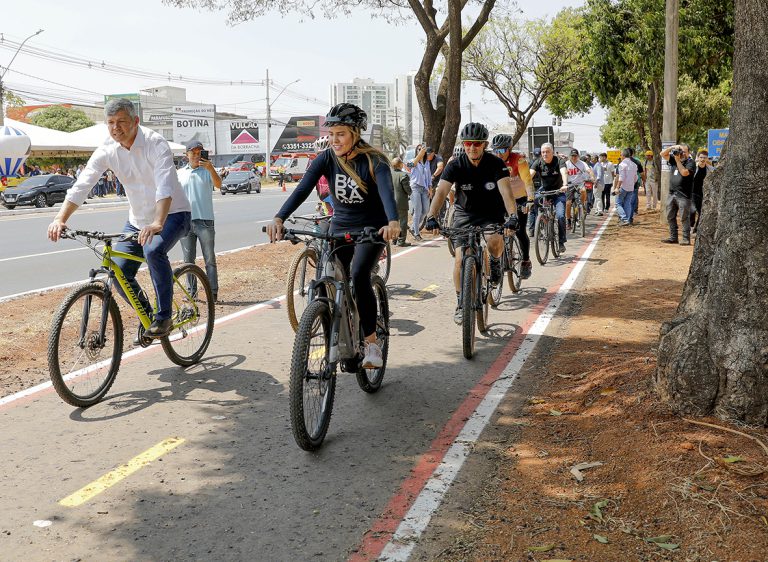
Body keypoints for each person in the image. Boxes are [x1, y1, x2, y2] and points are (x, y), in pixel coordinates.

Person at [266, 103, 399, 369]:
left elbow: (387, 193)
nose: (334, 139)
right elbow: (303, 189)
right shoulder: (325, 158)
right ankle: (336, 333)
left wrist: (393, 222)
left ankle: (371, 343)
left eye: (341, 133)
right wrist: (279, 217)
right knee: (327, 276)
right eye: (332, 133)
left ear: (355, 133)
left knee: (359, 275)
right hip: (338, 229)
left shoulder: (375, 160)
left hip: (371, 230)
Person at [47, 98, 191, 338]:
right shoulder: (107, 149)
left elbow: (164, 186)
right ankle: (148, 316)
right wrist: (60, 218)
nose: (116, 128)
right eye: (111, 123)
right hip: (136, 221)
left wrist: (157, 223)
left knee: (153, 250)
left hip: (172, 214)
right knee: (118, 270)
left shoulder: (155, 143)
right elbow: (84, 184)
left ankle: (164, 317)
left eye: (122, 121)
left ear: (135, 121)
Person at [424, 122, 518, 324]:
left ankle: (494, 262)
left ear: (484, 145)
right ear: (464, 144)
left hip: (491, 212)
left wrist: (512, 215)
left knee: (494, 241)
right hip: (464, 213)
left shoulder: (495, 163)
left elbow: (506, 192)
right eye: (468, 143)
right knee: (459, 259)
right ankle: (460, 303)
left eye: (476, 144)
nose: (472, 148)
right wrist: (431, 215)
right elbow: (441, 192)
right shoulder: (455, 165)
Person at [178, 140, 222, 303]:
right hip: (185, 222)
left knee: (209, 259)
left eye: (199, 152)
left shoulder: (207, 171)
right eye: (193, 153)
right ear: (186, 155)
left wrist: (210, 168)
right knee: (188, 261)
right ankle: (191, 292)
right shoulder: (180, 173)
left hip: (205, 221)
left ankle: (212, 292)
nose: (197, 155)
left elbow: (219, 185)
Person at [489, 134, 534, 279]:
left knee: (520, 232)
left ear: (509, 149)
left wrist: (530, 199)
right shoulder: (492, 161)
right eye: (496, 151)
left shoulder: (518, 160)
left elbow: (527, 181)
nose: (498, 154)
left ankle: (526, 261)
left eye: (502, 150)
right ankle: (496, 261)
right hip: (501, 200)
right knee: (494, 230)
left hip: (520, 200)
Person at [530, 143, 569, 253]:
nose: (545, 154)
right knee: (534, 200)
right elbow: (529, 175)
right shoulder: (538, 162)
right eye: (543, 152)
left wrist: (565, 184)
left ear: (552, 152)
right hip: (545, 191)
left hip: (558, 192)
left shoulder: (559, 161)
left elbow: (564, 172)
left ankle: (561, 241)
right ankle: (540, 222)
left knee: (561, 215)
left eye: (547, 152)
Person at [660, 143, 696, 245]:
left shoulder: (690, 162)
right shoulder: (675, 159)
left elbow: (684, 173)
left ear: (688, 153)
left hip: (683, 195)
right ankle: (673, 237)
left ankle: (685, 239)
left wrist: (677, 160)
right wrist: (673, 148)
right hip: (672, 194)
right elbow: (662, 154)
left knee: (684, 217)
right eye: (681, 151)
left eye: (684, 151)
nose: (682, 153)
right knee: (670, 216)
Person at [564, 148, 595, 228]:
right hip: (570, 185)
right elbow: (562, 173)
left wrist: (592, 177)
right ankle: (568, 220)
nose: (574, 157)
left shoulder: (582, 163)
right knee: (568, 204)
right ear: (570, 156)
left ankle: (582, 203)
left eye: (575, 156)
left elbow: (589, 170)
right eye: (572, 156)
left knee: (584, 190)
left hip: (579, 184)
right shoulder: (566, 164)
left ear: (578, 156)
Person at [410, 145, 432, 241]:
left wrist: (430, 189)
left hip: (425, 189)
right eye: (419, 149)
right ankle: (416, 233)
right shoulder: (413, 161)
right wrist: (419, 155)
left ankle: (412, 227)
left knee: (426, 210)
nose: (422, 150)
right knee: (418, 211)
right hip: (415, 188)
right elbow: (412, 164)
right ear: (417, 151)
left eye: (423, 149)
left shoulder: (427, 162)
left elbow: (429, 177)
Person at [690, 148, 714, 233]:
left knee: (701, 212)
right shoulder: (693, 167)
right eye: (701, 157)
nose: (703, 159)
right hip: (692, 192)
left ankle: (696, 229)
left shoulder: (711, 169)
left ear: (707, 158)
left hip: (704, 193)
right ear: (698, 158)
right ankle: (691, 226)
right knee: (692, 210)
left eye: (704, 157)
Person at [614, 148, 638, 226]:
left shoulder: (622, 164)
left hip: (623, 187)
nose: (620, 156)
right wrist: (631, 184)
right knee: (627, 203)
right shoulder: (634, 165)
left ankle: (624, 219)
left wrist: (617, 187)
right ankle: (627, 219)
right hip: (631, 187)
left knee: (618, 203)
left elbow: (621, 177)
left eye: (621, 155)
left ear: (623, 155)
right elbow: (636, 178)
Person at [391, 157, 412, 246]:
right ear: (400, 165)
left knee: (394, 221)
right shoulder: (403, 175)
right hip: (401, 202)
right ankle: (401, 241)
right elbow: (407, 189)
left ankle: (394, 239)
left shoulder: (389, 174)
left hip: (391, 202)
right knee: (403, 222)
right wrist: (410, 192)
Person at [314, 136, 334, 216]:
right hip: (327, 214)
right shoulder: (317, 173)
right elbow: (301, 190)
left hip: (342, 217)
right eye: (319, 155)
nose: (323, 158)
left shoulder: (340, 172)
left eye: (326, 154)